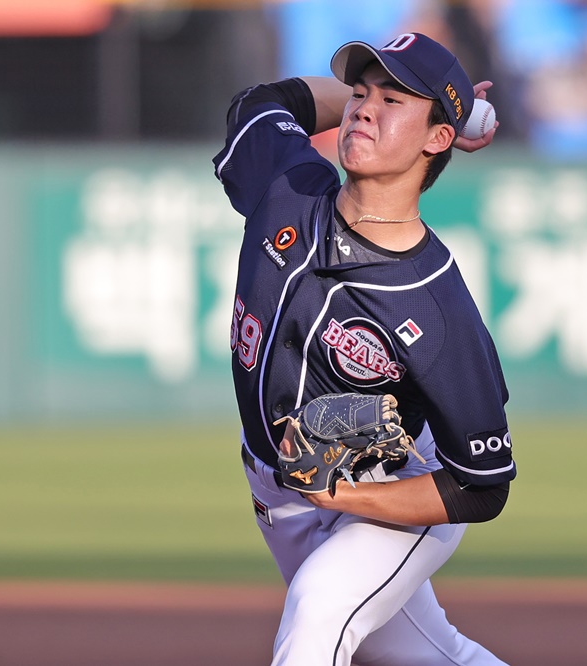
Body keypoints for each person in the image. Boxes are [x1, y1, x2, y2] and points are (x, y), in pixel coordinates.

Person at [212, 32, 515, 665]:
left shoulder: (436, 307)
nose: (363, 110)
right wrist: (439, 116)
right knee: (427, 655)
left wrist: (344, 498)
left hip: (395, 488)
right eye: (358, 93)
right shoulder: (287, 181)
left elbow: (480, 486)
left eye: (394, 99)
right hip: (280, 492)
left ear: (437, 140)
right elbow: (269, 101)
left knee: (320, 610)